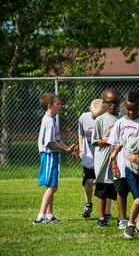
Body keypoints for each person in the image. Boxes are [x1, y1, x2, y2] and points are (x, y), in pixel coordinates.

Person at [33, 93, 78, 224]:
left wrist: (69, 149)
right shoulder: (49, 122)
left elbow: (57, 140)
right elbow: (50, 143)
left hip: (53, 156)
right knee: (52, 187)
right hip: (49, 156)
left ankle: (49, 215)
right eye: (57, 104)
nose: (60, 106)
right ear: (49, 106)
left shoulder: (52, 121)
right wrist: (64, 150)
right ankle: (40, 216)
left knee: (51, 186)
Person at [108, 91, 139, 229]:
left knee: (138, 195)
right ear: (123, 106)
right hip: (122, 167)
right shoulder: (119, 123)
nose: (131, 112)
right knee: (121, 192)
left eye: (134, 109)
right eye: (128, 109)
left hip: (137, 167)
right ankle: (122, 219)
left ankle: (138, 219)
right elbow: (112, 144)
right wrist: (114, 164)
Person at [78, 98, 113, 219]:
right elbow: (81, 133)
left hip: (104, 156)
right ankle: (88, 204)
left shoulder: (107, 120)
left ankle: (107, 213)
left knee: (106, 184)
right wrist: (81, 149)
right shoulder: (83, 117)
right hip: (90, 157)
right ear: (89, 110)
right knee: (88, 181)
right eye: (95, 116)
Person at [92, 88, 121, 227]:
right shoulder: (100, 120)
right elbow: (95, 141)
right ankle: (101, 218)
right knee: (102, 191)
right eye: (109, 103)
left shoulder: (122, 119)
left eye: (115, 102)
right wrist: (107, 140)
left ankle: (122, 218)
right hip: (103, 161)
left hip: (119, 160)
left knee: (121, 189)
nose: (112, 105)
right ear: (104, 103)